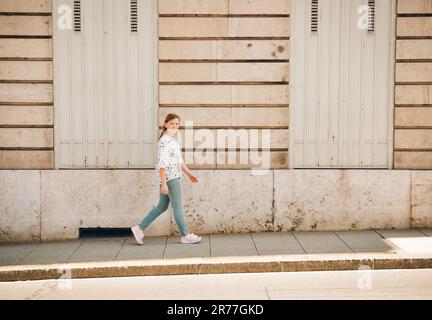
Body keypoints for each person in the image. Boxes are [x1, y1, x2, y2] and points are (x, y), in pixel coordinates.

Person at [131, 113, 202, 245]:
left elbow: (179, 162)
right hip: (171, 179)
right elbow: (162, 165)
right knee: (178, 208)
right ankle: (185, 235)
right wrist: (164, 184)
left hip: (171, 178)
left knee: (161, 207)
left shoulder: (172, 141)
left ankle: (139, 228)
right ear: (165, 124)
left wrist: (189, 174)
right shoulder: (165, 142)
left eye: (177, 124)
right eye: (171, 123)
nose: (174, 126)